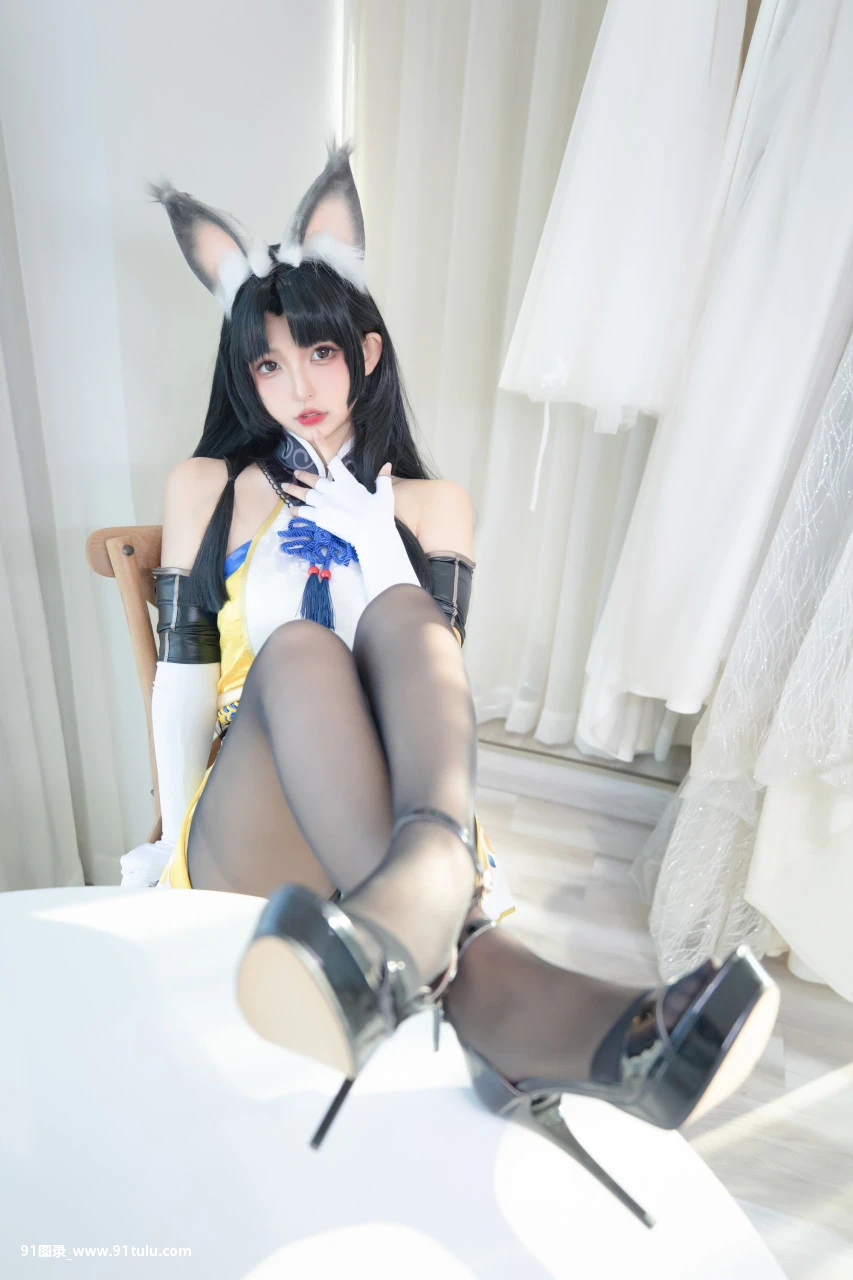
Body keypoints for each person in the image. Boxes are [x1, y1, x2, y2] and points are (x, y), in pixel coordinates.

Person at [125, 137, 780, 1226]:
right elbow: (187, 673)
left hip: (380, 803)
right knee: (299, 650)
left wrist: (375, 544)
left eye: (319, 354)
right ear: (244, 378)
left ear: (367, 353)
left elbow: (427, 690)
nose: (298, 388)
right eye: (269, 366)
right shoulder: (210, 484)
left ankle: (431, 923)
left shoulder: (433, 507)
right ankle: (472, 935)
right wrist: (162, 836)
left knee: (398, 614)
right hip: (249, 811)